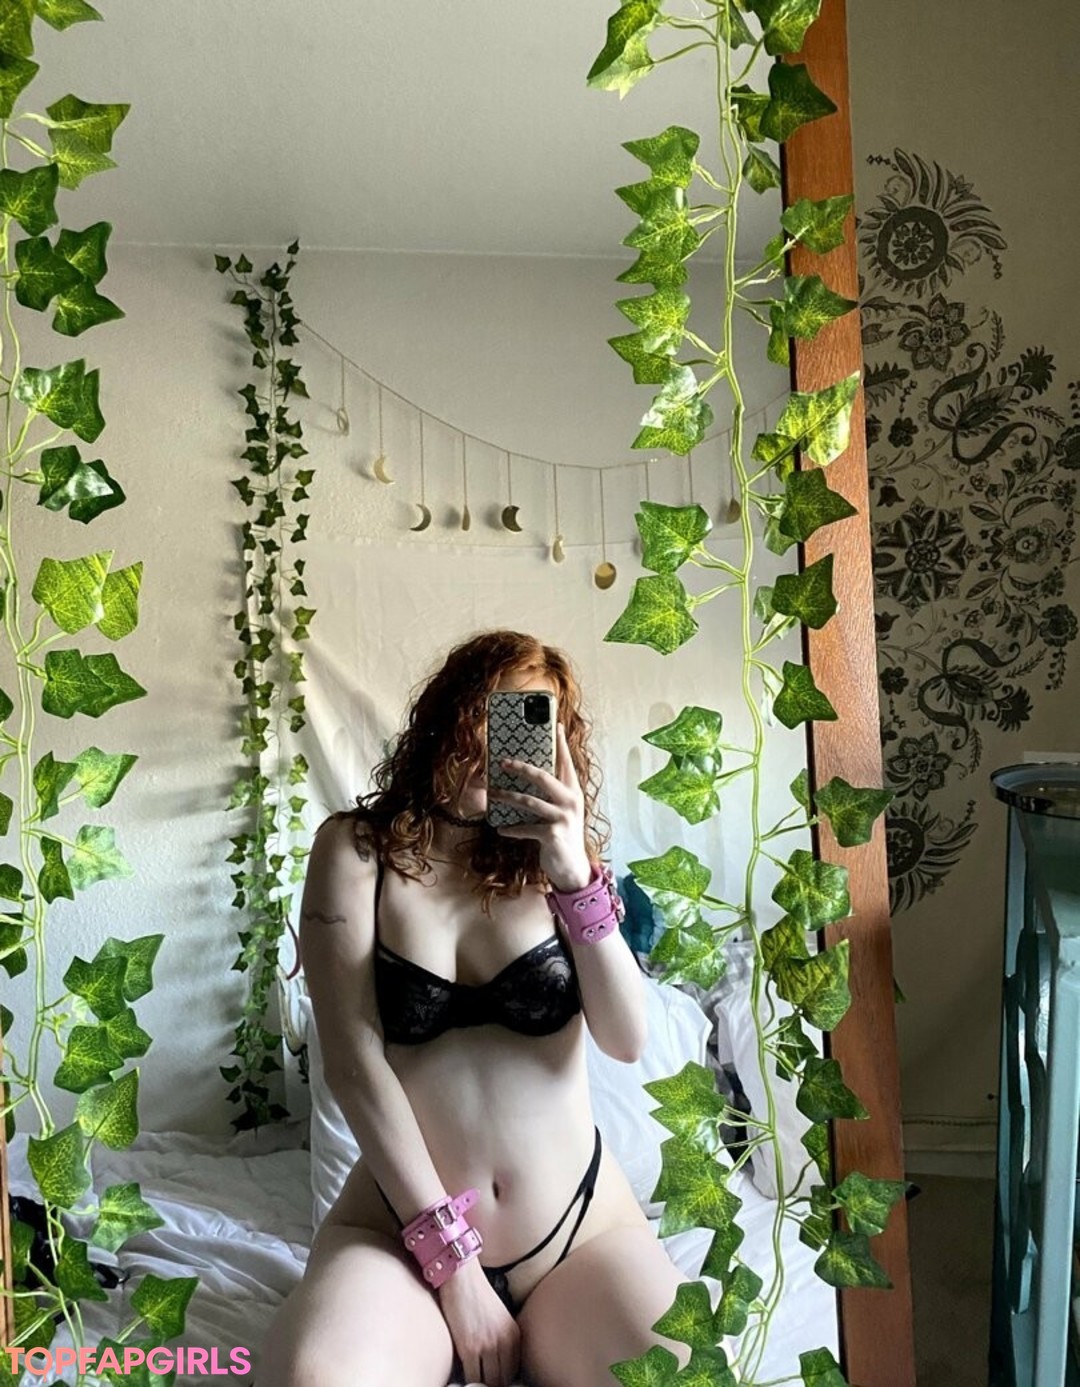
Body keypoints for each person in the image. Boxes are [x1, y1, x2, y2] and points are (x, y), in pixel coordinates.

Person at [256, 630, 694, 1387]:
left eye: (528, 723)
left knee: (686, 1375)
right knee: (312, 1380)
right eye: (489, 714)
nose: (500, 743)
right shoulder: (356, 853)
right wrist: (452, 1265)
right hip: (399, 1240)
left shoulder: (561, 868)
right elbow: (354, 1066)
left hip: (577, 1235)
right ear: (448, 716)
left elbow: (627, 1038)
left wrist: (572, 872)